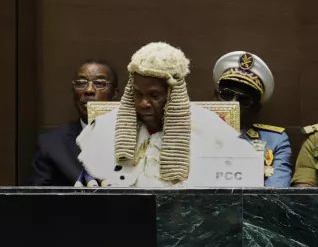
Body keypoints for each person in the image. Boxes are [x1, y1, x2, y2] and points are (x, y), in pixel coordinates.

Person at [76, 42, 256, 187]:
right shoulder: (104, 126)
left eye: (154, 96)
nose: (143, 104)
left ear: (173, 95)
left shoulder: (213, 130)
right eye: (138, 94)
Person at [32, 60, 118, 186]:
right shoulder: (51, 144)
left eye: (99, 83)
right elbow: (38, 199)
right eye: (81, 83)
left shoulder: (137, 139)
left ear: (114, 93)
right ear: (73, 91)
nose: (89, 90)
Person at [212, 51, 291, 187]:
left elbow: (276, 196)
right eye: (226, 95)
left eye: (244, 100)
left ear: (255, 109)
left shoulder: (275, 141)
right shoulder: (190, 135)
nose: (233, 103)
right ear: (215, 96)